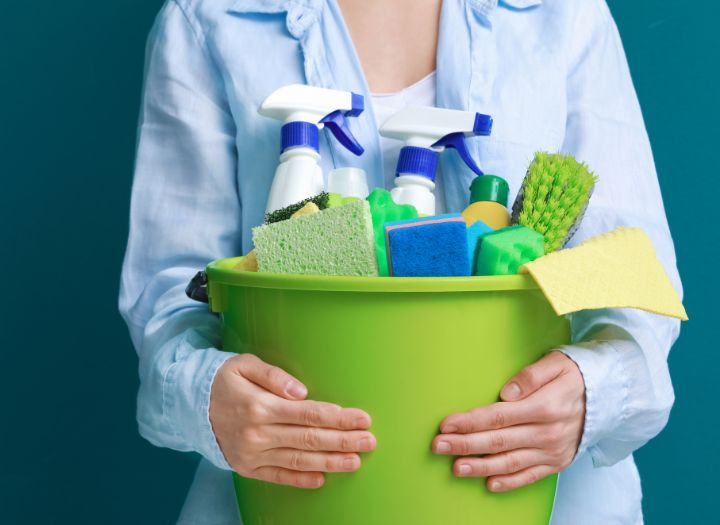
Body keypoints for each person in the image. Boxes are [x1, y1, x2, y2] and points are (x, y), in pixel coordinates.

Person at [119, 0, 682, 523]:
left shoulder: (561, 12)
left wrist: (591, 394)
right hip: (297, 494)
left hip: (545, 497)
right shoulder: (210, 16)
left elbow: (636, 278)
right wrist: (206, 395)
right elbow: (172, 293)